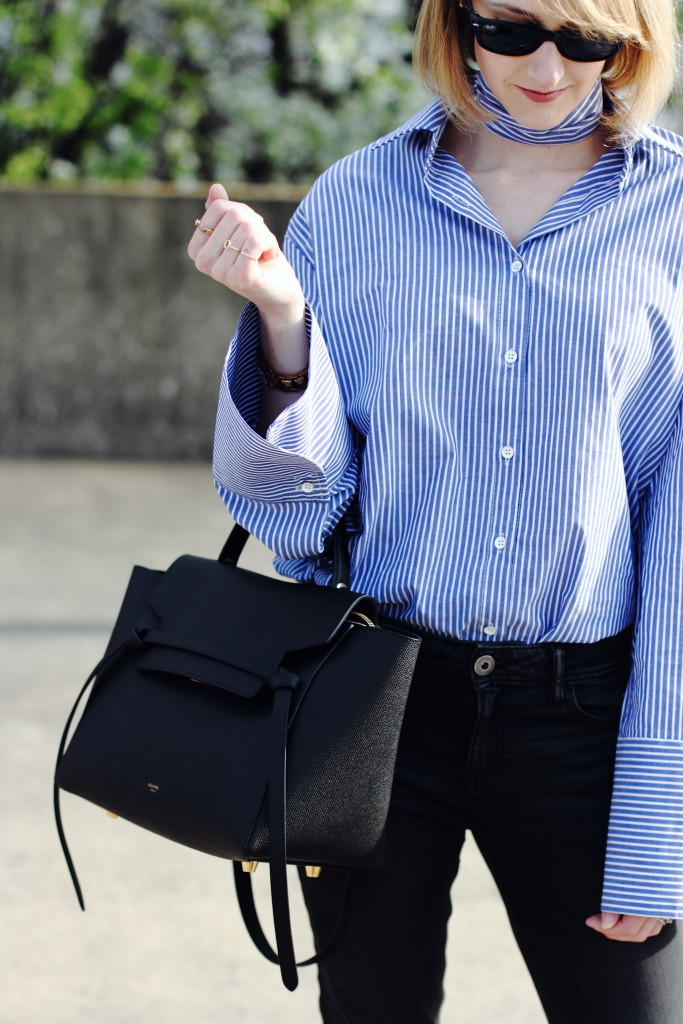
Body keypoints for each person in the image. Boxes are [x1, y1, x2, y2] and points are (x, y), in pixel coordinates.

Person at [188, 0, 683, 1018]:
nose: (546, 65)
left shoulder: (673, 212)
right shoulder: (356, 200)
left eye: (582, 37)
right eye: (511, 29)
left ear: (628, 39)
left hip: (583, 715)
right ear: (454, 23)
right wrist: (282, 321)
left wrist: (658, 817)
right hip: (377, 692)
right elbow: (299, 518)